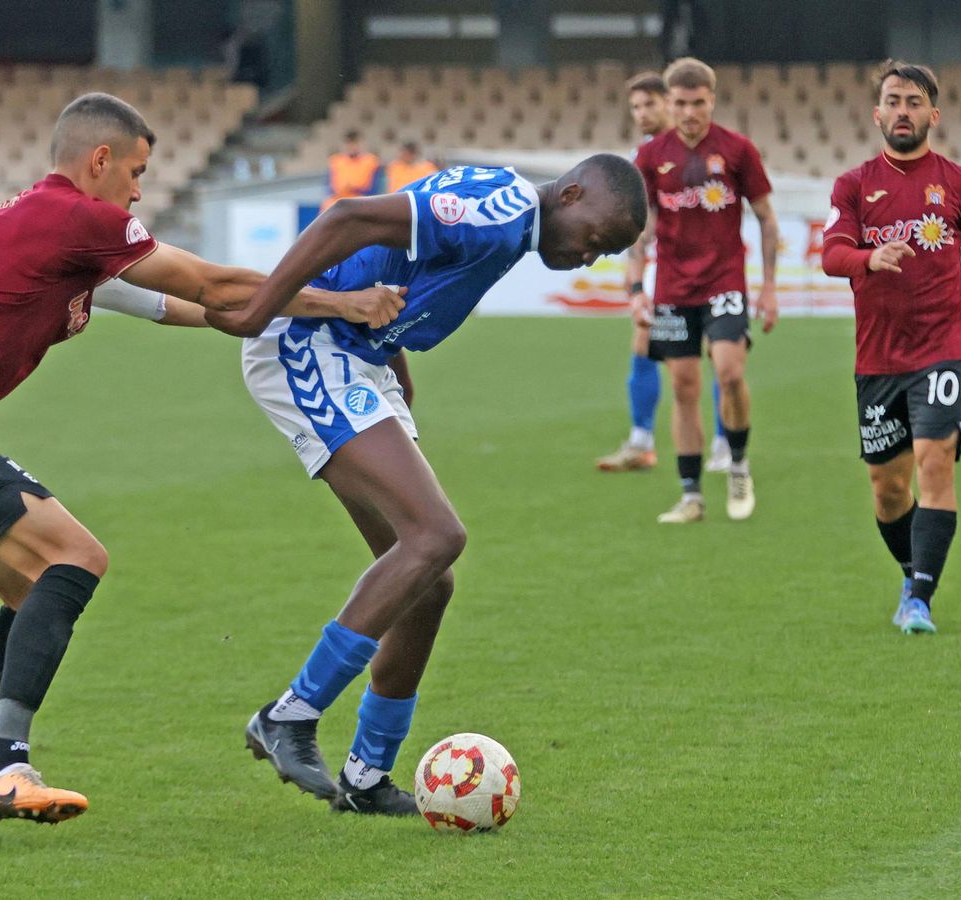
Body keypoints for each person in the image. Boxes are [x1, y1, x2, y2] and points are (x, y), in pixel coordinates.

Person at [0, 92, 404, 826]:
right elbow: (212, 284)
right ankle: (5, 769)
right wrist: (345, 300)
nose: (140, 190)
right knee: (76, 558)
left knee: (28, 594)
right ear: (98, 160)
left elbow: (195, 309)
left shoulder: (59, 238)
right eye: (135, 172)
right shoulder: (75, 217)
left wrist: (316, 312)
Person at [208, 156, 646, 814]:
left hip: (360, 357)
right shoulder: (501, 214)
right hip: (309, 342)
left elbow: (394, 264)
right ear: (573, 192)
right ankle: (289, 716)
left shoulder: (511, 226)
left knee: (428, 580)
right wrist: (256, 311)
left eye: (604, 253)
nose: (589, 256)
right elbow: (350, 218)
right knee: (437, 535)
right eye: (595, 237)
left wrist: (394, 363)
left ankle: (364, 778)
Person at [820, 61, 961, 635]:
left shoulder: (960, 184)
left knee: (935, 462)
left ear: (934, 114)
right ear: (878, 115)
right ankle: (912, 572)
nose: (903, 110)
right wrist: (867, 258)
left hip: (942, 347)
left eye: (914, 101)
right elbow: (831, 255)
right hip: (877, 359)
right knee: (888, 488)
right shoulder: (852, 186)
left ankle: (921, 601)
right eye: (894, 101)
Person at [632, 58, 779, 524]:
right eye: (680, 103)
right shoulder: (652, 156)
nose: (689, 112)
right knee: (683, 386)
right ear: (669, 103)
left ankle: (737, 463)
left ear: (712, 100)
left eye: (698, 103)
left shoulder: (737, 150)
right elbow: (644, 226)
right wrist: (637, 287)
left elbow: (767, 217)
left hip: (725, 282)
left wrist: (770, 287)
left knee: (731, 372)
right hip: (673, 288)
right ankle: (691, 495)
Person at [598, 71, 732, 474]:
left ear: (669, 102)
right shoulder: (647, 154)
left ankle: (725, 443)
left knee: (716, 355)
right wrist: (635, 272)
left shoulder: (697, 150)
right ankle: (642, 441)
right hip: (663, 269)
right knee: (644, 345)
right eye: (635, 107)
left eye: (649, 104)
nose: (641, 114)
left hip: (710, 270)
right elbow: (641, 221)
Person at [322, 130, 381, 212]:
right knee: (327, 205)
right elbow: (330, 188)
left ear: (361, 144)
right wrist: (343, 190)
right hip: (339, 201)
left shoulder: (371, 161)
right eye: (349, 143)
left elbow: (374, 189)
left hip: (362, 200)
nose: (352, 146)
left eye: (355, 143)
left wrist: (354, 189)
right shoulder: (336, 162)